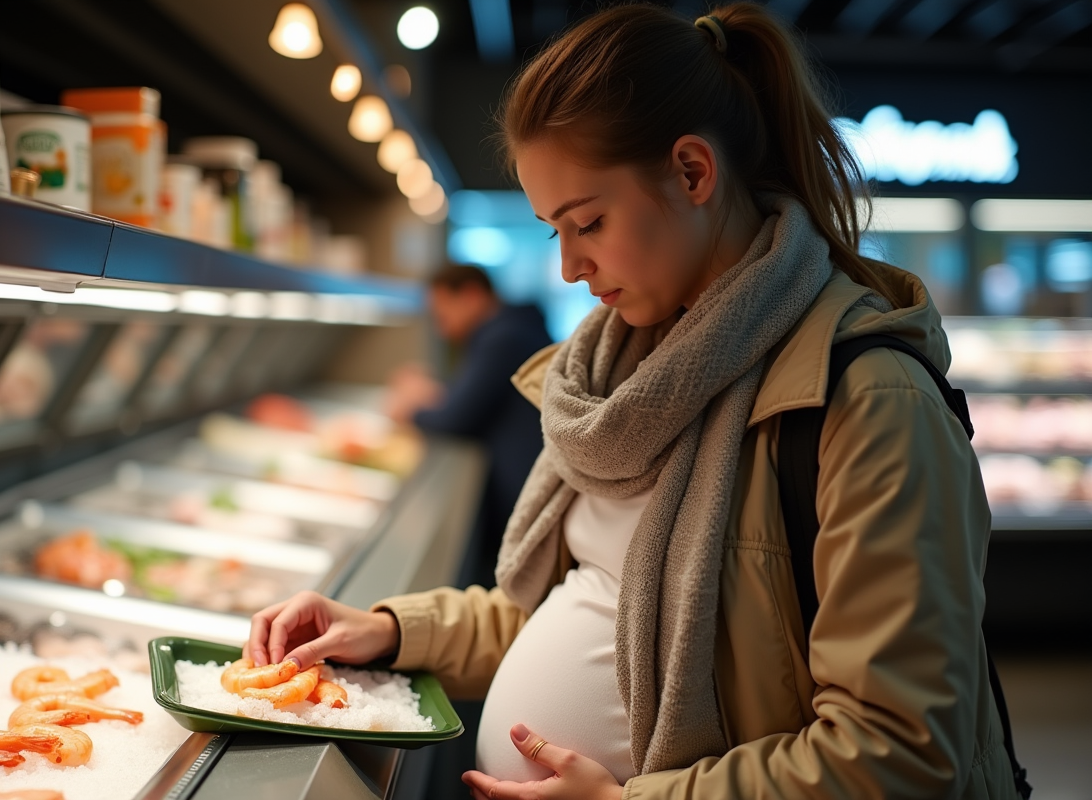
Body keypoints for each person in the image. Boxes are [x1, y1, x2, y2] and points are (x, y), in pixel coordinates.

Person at [248, 5, 1018, 799]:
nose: (572, 267)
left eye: (589, 222)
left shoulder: (866, 399)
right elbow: (583, 605)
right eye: (555, 232)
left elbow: (898, 750)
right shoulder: (624, 375)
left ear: (692, 172)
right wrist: (390, 628)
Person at [385, 263, 552, 589]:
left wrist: (411, 410)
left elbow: (455, 420)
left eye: (442, 316)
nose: (441, 330)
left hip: (521, 494)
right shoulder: (512, 328)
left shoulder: (504, 337)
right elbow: (470, 401)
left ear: (472, 296)